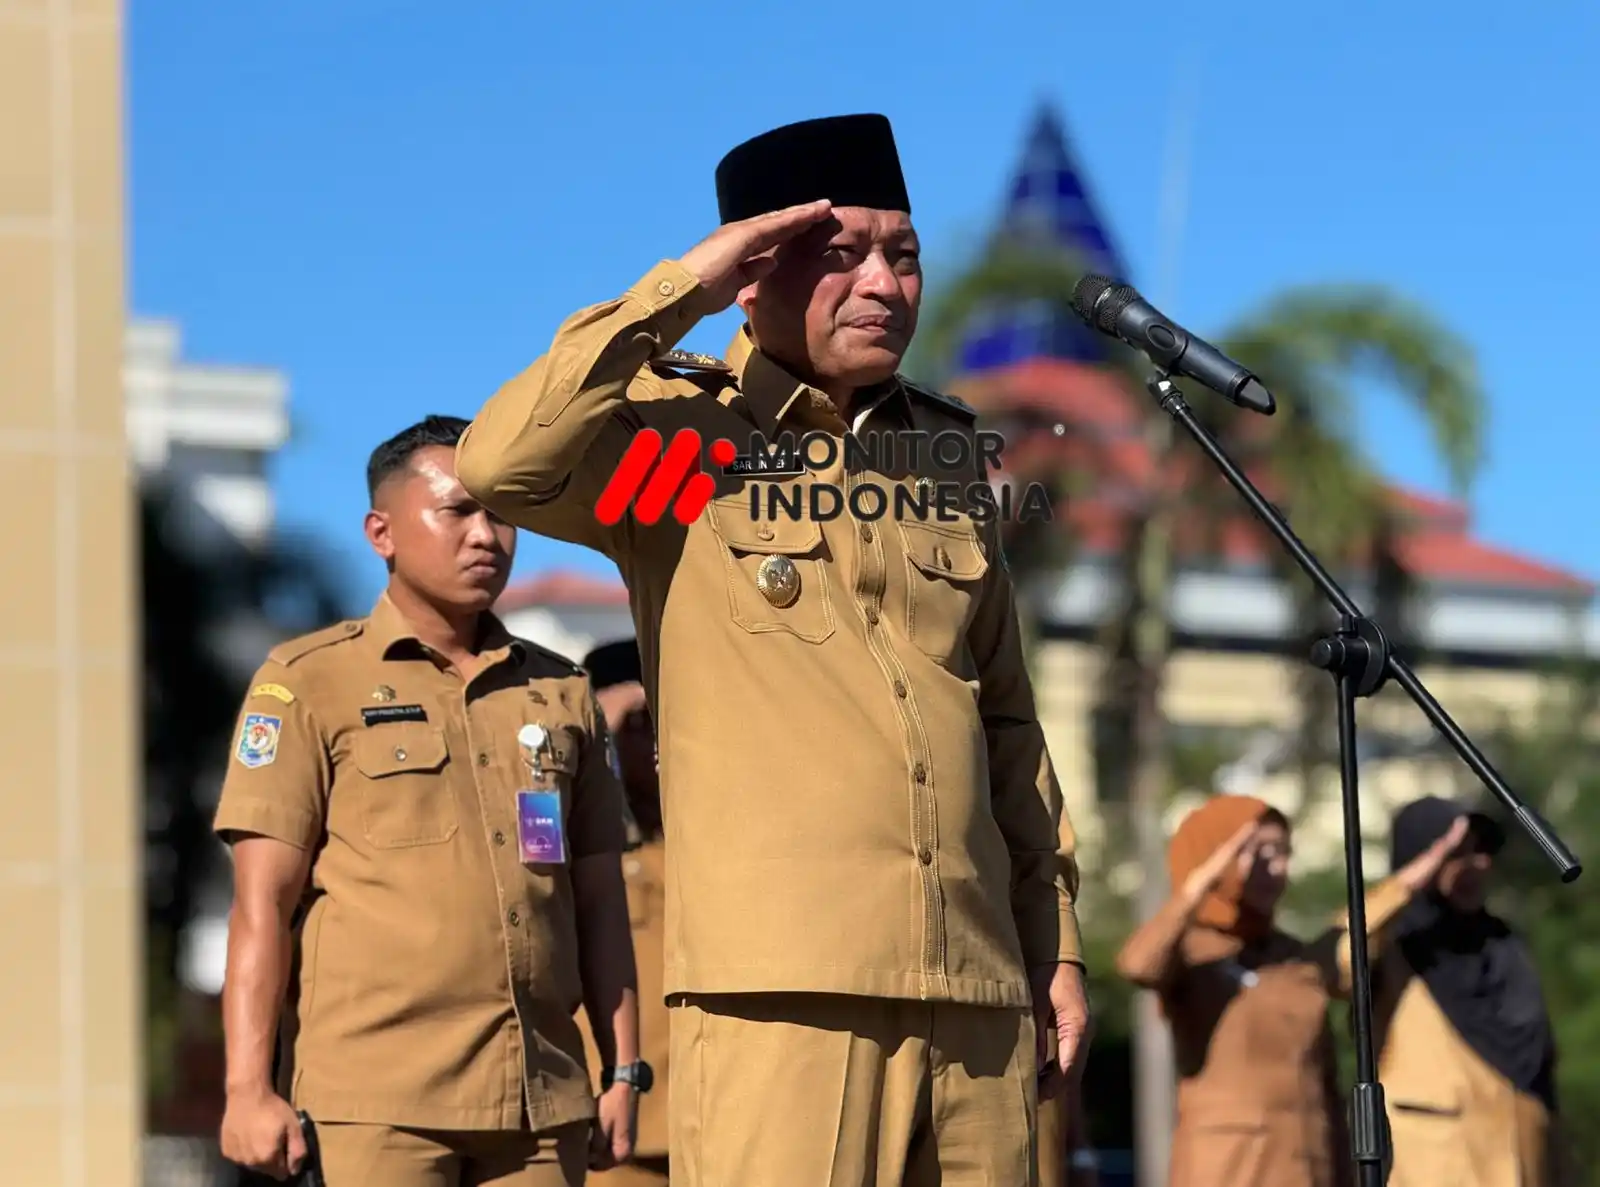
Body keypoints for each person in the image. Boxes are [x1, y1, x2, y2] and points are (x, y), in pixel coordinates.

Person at [456, 112, 1090, 1187]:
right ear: (752, 274)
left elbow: (1007, 726)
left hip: (977, 986)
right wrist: (682, 290)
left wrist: (1054, 940)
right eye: (842, 256)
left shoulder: (942, 454)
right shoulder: (671, 435)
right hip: (783, 989)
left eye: (903, 255)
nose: (883, 284)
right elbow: (500, 463)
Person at [214, 415, 644, 1187]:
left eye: (502, 513)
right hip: (377, 1106)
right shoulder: (308, 681)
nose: (487, 535)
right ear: (381, 532)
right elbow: (262, 904)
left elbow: (600, 898)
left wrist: (623, 1070)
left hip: (541, 1103)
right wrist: (247, 1088)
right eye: (458, 510)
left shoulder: (562, 690)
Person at [1114, 794, 1468, 1187]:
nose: (1276, 867)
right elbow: (1137, 965)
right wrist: (1200, 884)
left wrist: (1418, 873)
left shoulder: (1294, 957)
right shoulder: (1191, 951)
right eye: (1255, 852)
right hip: (1229, 1171)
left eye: (1283, 852)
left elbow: (1352, 936)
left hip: (1310, 1166)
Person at [1374, 795, 1565, 1187]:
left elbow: (1540, 1078)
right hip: (1438, 1169)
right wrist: (1411, 880)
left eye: (1482, 852)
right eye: (1457, 854)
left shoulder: (1502, 946)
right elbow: (1337, 957)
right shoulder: (1392, 949)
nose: (1477, 865)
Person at [575, 638, 670, 1186]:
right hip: (618, 1128)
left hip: (713, 1115)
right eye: (639, 724)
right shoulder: (586, 836)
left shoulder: (704, 831)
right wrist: (600, 740)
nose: (655, 739)